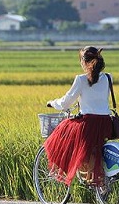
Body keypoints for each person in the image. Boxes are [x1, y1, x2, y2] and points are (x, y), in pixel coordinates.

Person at [43, 45, 113, 187]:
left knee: (61, 131)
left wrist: (52, 103)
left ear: (84, 62)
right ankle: (90, 173)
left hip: (89, 123)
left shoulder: (81, 79)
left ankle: (67, 168)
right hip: (106, 122)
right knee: (92, 147)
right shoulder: (108, 78)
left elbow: (65, 102)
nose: (80, 63)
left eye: (81, 60)